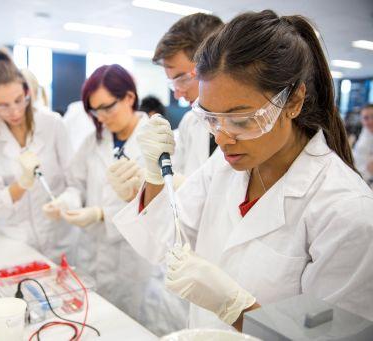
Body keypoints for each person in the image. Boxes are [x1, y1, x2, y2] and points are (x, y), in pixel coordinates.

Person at [113, 10, 373, 331]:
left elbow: (327, 337)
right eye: (211, 118)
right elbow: (164, 242)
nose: (222, 139)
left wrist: (236, 307)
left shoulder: (347, 211)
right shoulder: (223, 167)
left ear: (293, 101)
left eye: (241, 119)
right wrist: (155, 176)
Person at [42, 64, 188, 336]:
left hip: (137, 263)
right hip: (94, 255)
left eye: (107, 108)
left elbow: (162, 205)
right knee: (98, 326)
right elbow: (76, 185)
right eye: (95, 111)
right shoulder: (93, 141)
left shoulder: (157, 142)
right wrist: (66, 201)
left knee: (134, 330)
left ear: (129, 98)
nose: (101, 117)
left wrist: (101, 213)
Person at [0, 49, 76, 262]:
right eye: (3, 106)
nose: (15, 111)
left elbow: (75, 184)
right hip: (16, 244)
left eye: (19, 100)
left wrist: (65, 202)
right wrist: (20, 185)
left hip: (61, 240)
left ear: (27, 91)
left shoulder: (53, 124)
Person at [107, 14, 223, 201]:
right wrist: (141, 189)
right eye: (172, 83)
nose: (177, 94)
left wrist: (179, 185)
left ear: (216, 63)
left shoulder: (254, 124)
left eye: (182, 79)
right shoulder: (190, 123)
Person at [353, 104, 373, 185]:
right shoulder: (365, 131)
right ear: (361, 120)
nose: (371, 121)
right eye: (366, 118)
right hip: (358, 177)